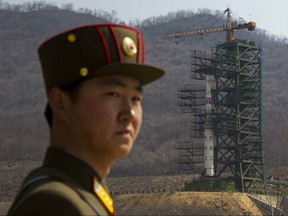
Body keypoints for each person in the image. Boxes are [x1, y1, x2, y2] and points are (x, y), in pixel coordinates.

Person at [8, 23, 165, 215]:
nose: (129, 113)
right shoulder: (54, 203)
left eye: (136, 99)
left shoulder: (83, 195)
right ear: (60, 104)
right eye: (113, 94)